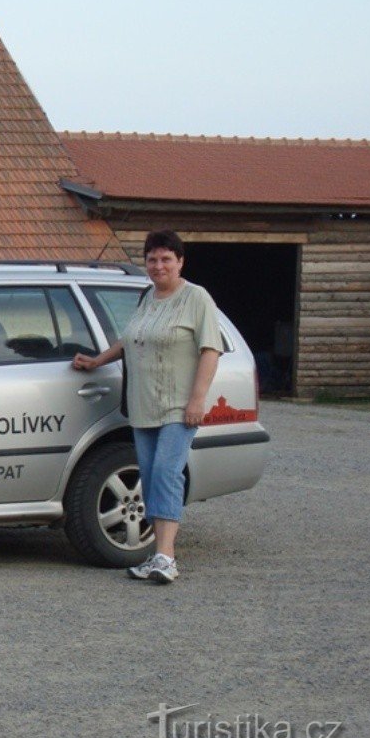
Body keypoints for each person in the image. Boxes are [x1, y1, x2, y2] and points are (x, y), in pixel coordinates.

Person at [72, 230, 225, 583]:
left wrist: (197, 400)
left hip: (178, 406)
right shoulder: (148, 298)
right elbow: (129, 340)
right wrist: (97, 361)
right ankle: (157, 555)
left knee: (167, 474)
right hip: (144, 406)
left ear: (180, 262)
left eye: (166, 259)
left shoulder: (196, 298)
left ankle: (166, 558)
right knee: (151, 476)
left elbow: (210, 350)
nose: (159, 266)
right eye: (152, 259)